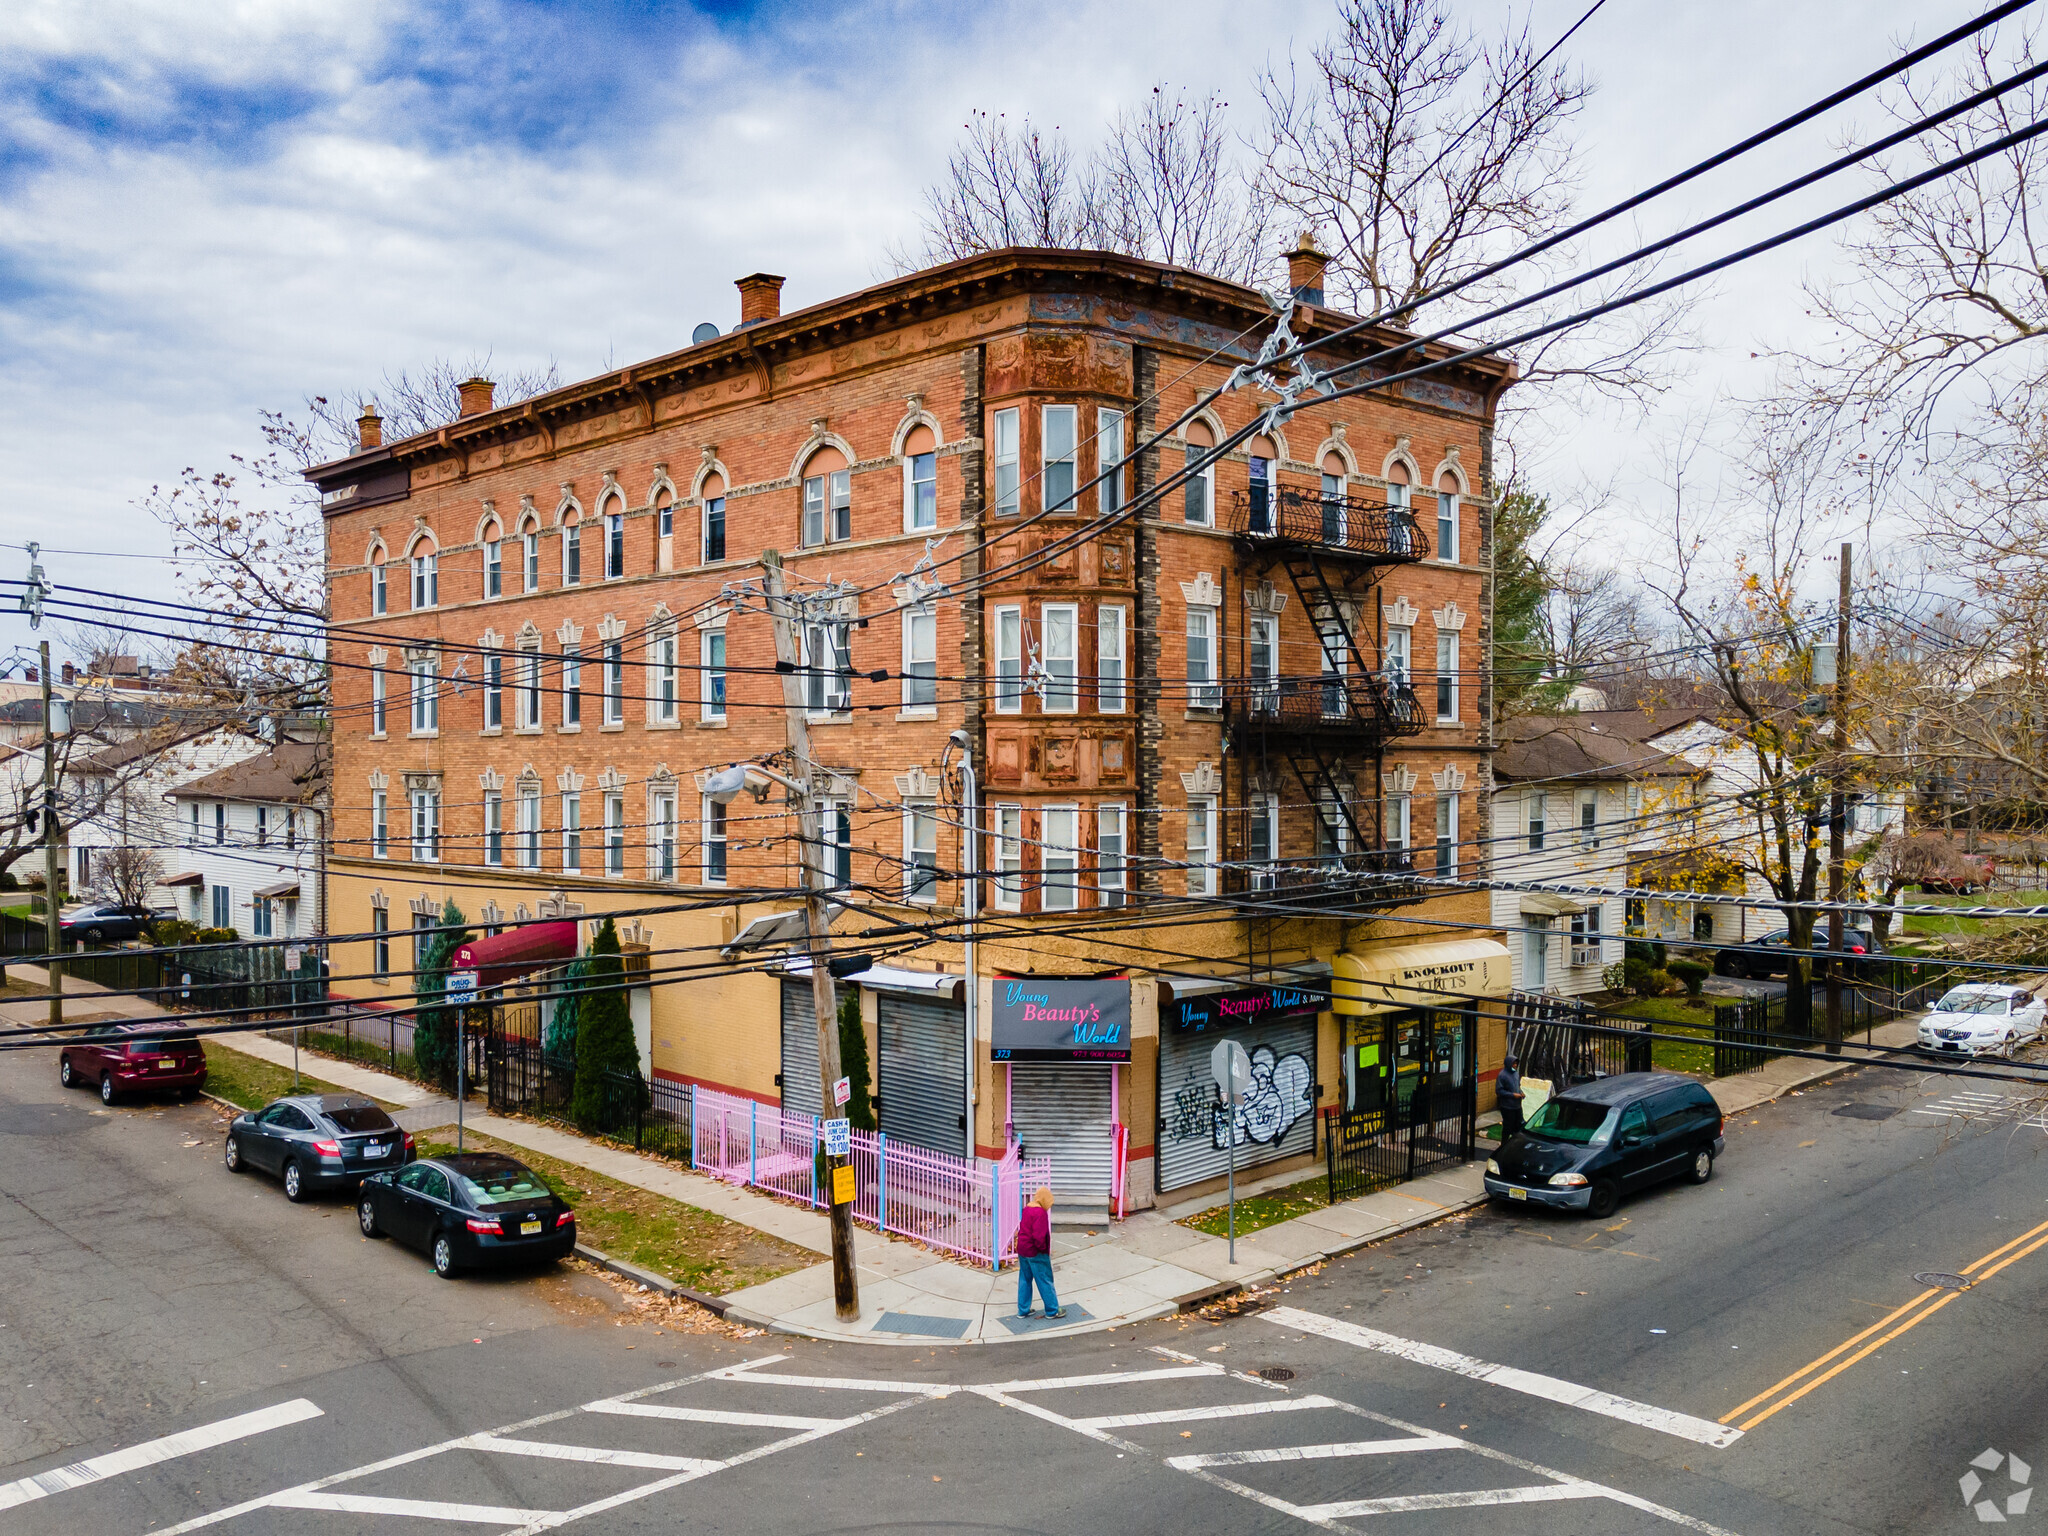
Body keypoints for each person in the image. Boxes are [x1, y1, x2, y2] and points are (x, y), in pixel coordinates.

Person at [1016, 1186, 1063, 1319]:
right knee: (1045, 1279)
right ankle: (1052, 1310)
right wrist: (1043, 1250)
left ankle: (1023, 1310)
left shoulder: (1027, 1209)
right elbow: (1039, 1236)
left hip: (1023, 1250)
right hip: (1035, 1252)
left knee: (1025, 1279)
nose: (1048, 1207)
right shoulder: (1040, 1213)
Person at [1496, 1053, 1525, 1139]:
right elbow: (1499, 1090)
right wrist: (1512, 1095)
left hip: (1517, 1106)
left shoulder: (1516, 1073)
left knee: (1519, 1126)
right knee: (1508, 1127)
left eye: (1516, 1063)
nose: (1515, 1065)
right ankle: (1504, 1144)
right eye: (1513, 1063)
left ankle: (1515, 1143)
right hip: (1507, 1107)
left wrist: (1521, 1092)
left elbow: (1517, 1086)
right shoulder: (1502, 1075)